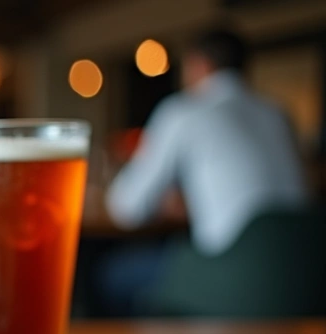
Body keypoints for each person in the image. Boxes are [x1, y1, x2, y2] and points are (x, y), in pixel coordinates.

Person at [100, 28, 308, 315]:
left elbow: (125, 208)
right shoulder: (278, 114)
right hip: (303, 275)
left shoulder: (184, 111)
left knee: (113, 273)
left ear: (198, 64)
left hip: (229, 278)